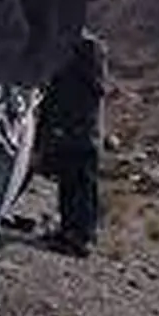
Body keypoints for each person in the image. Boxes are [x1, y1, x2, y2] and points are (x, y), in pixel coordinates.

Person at [34, 29, 108, 257]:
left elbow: (95, 89)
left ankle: (82, 238)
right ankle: (68, 230)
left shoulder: (87, 47)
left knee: (83, 183)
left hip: (81, 128)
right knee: (69, 181)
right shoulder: (67, 44)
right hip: (67, 126)